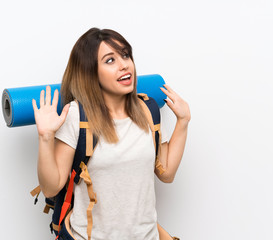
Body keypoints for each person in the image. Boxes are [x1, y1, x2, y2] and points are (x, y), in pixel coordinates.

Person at [32, 28, 191, 240]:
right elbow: (51, 188)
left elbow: (167, 173)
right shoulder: (76, 115)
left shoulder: (148, 110)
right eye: (110, 60)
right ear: (90, 72)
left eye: (126, 55)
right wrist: (46, 137)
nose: (124, 64)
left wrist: (183, 121)